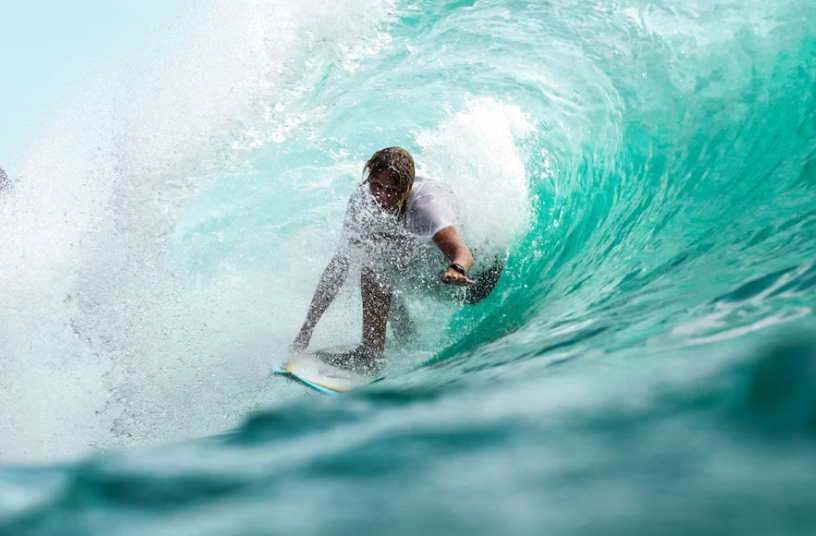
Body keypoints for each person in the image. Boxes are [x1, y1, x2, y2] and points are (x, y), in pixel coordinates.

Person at [292, 147, 503, 375]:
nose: (382, 196)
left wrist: (456, 268)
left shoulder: (426, 208)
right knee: (375, 253)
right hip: (436, 271)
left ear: (407, 188)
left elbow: (463, 251)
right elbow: (338, 267)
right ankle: (407, 339)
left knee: (376, 266)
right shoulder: (362, 201)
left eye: (392, 190)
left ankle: (371, 357)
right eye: (376, 185)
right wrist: (307, 329)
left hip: (475, 279)